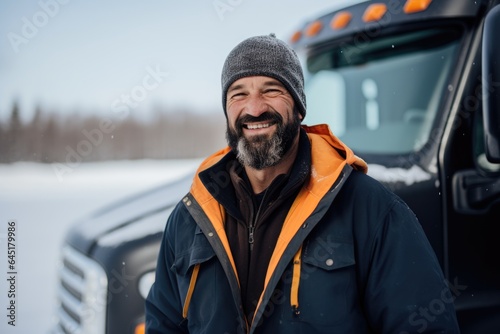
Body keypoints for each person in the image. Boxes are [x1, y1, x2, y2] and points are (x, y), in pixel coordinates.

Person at [145, 34, 459, 333]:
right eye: (238, 93)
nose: (254, 108)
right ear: (227, 109)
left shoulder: (370, 209)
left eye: (271, 90)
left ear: (298, 107)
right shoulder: (190, 219)